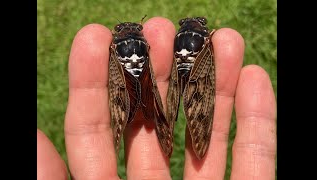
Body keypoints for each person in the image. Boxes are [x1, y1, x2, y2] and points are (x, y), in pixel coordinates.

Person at [37, 17, 276, 180]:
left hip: (135, 73)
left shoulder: (116, 46)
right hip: (173, 71)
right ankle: (158, 119)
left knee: (145, 95)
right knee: (184, 100)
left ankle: (147, 118)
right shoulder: (204, 40)